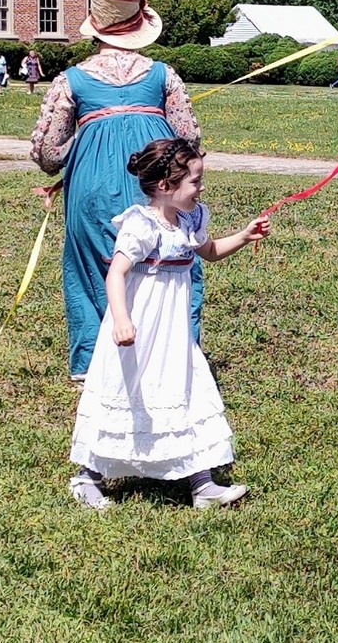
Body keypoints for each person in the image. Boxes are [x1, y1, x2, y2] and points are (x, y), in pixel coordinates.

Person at [68, 138, 270, 511]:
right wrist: (122, 320)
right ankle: (88, 476)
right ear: (165, 186)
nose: (201, 187)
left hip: (173, 333)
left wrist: (244, 236)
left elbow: (208, 252)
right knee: (127, 389)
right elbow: (116, 275)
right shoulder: (142, 225)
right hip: (140, 327)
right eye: (194, 180)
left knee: (187, 387)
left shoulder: (190, 219)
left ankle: (202, 483)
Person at [31, 0, 203, 379]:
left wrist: (91, 134)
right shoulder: (164, 76)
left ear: (96, 29)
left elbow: (48, 153)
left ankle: (95, 365)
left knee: (96, 263)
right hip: (160, 179)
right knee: (168, 258)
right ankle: (170, 355)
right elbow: (190, 138)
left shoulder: (70, 81)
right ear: (140, 23)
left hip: (93, 184)